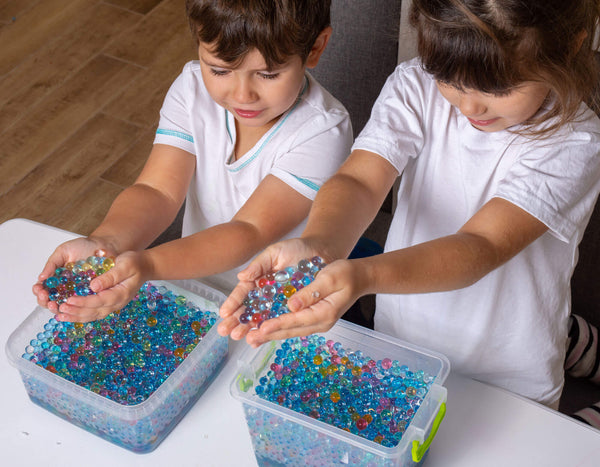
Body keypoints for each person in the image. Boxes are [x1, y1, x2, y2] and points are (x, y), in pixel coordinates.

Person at [218, 0, 600, 408]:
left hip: (505, 375)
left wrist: (362, 276)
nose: (469, 106)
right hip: (401, 343)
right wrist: (319, 246)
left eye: (500, 88)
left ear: (570, 45)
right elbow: (359, 179)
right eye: (449, 77)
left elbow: (480, 246)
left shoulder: (575, 141)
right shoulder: (415, 84)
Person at [32, 0, 352, 322]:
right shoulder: (191, 88)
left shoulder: (324, 130)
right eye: (219, 70)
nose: (243, 95)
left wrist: (148, 265)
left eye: (268, 74)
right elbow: (157, 190)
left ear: (315, 48)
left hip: (284, 313)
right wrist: (105, 243)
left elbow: (248, 230)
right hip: (193, 292)